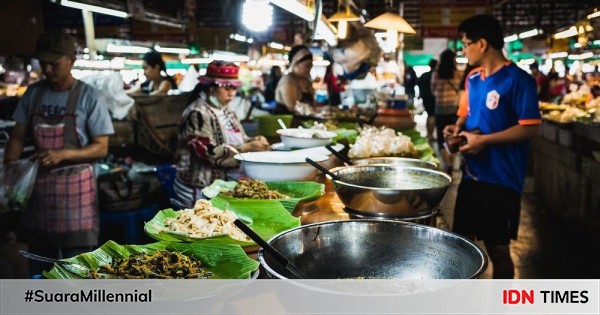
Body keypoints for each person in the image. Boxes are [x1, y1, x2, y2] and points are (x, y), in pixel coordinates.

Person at [3, 31, 114, 276]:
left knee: (80, 271)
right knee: (42, 268)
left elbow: (101, 147)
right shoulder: (33, 94)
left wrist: (63, 154)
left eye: (54, 63)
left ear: (71, 61)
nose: (48, 69)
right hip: (40, 196)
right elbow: (18, 136)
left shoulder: (89, 96)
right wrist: (10, 171)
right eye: (43, 63)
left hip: (78, 201)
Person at [443, 15, 541, 278]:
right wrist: (458, 127)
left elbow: (531, 127)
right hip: (472, 174)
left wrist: (484, 140)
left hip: (502, 180)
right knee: (462, 244)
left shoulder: (519, 80)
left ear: (482, 44)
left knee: (498, 248)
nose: (464, 50)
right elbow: (466, 113)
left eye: (466, 44)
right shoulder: (473, 78)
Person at [175, 61, 270, 204]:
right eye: (226, 87)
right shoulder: (197, 113)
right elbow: (206, 152)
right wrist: (246, 148)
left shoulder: (228, 111)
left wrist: (254, 141)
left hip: (222, 185)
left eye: (234, 87)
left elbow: (241, 139)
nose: (231, 93)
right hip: (199, 188)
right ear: (211, 88)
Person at [431, 49, 462, 174]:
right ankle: (452, 162)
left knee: (441, 137)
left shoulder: (436, 74)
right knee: (453, 137)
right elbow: (460, 92)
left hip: (440, 109)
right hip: (454, 109)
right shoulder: (457, 74)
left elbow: (433, 91)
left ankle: (446, 163)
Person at [274, 45, 314, 114]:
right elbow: (293, 108)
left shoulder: (306, 80)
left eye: (311, 66)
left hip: (304, 122)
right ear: (295, 63)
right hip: (287, 123)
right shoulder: (287, 80)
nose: (309, 69)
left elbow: (313, 104)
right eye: (306, 66)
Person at [417, 59, 438, 141]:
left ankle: (429, 134)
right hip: (433, 98)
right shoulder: (436, 75)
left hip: (425, 98)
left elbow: (418, 85)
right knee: (432, 116)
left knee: (429, 115)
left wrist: (420, 95)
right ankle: (431, 134)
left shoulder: (423, 75)